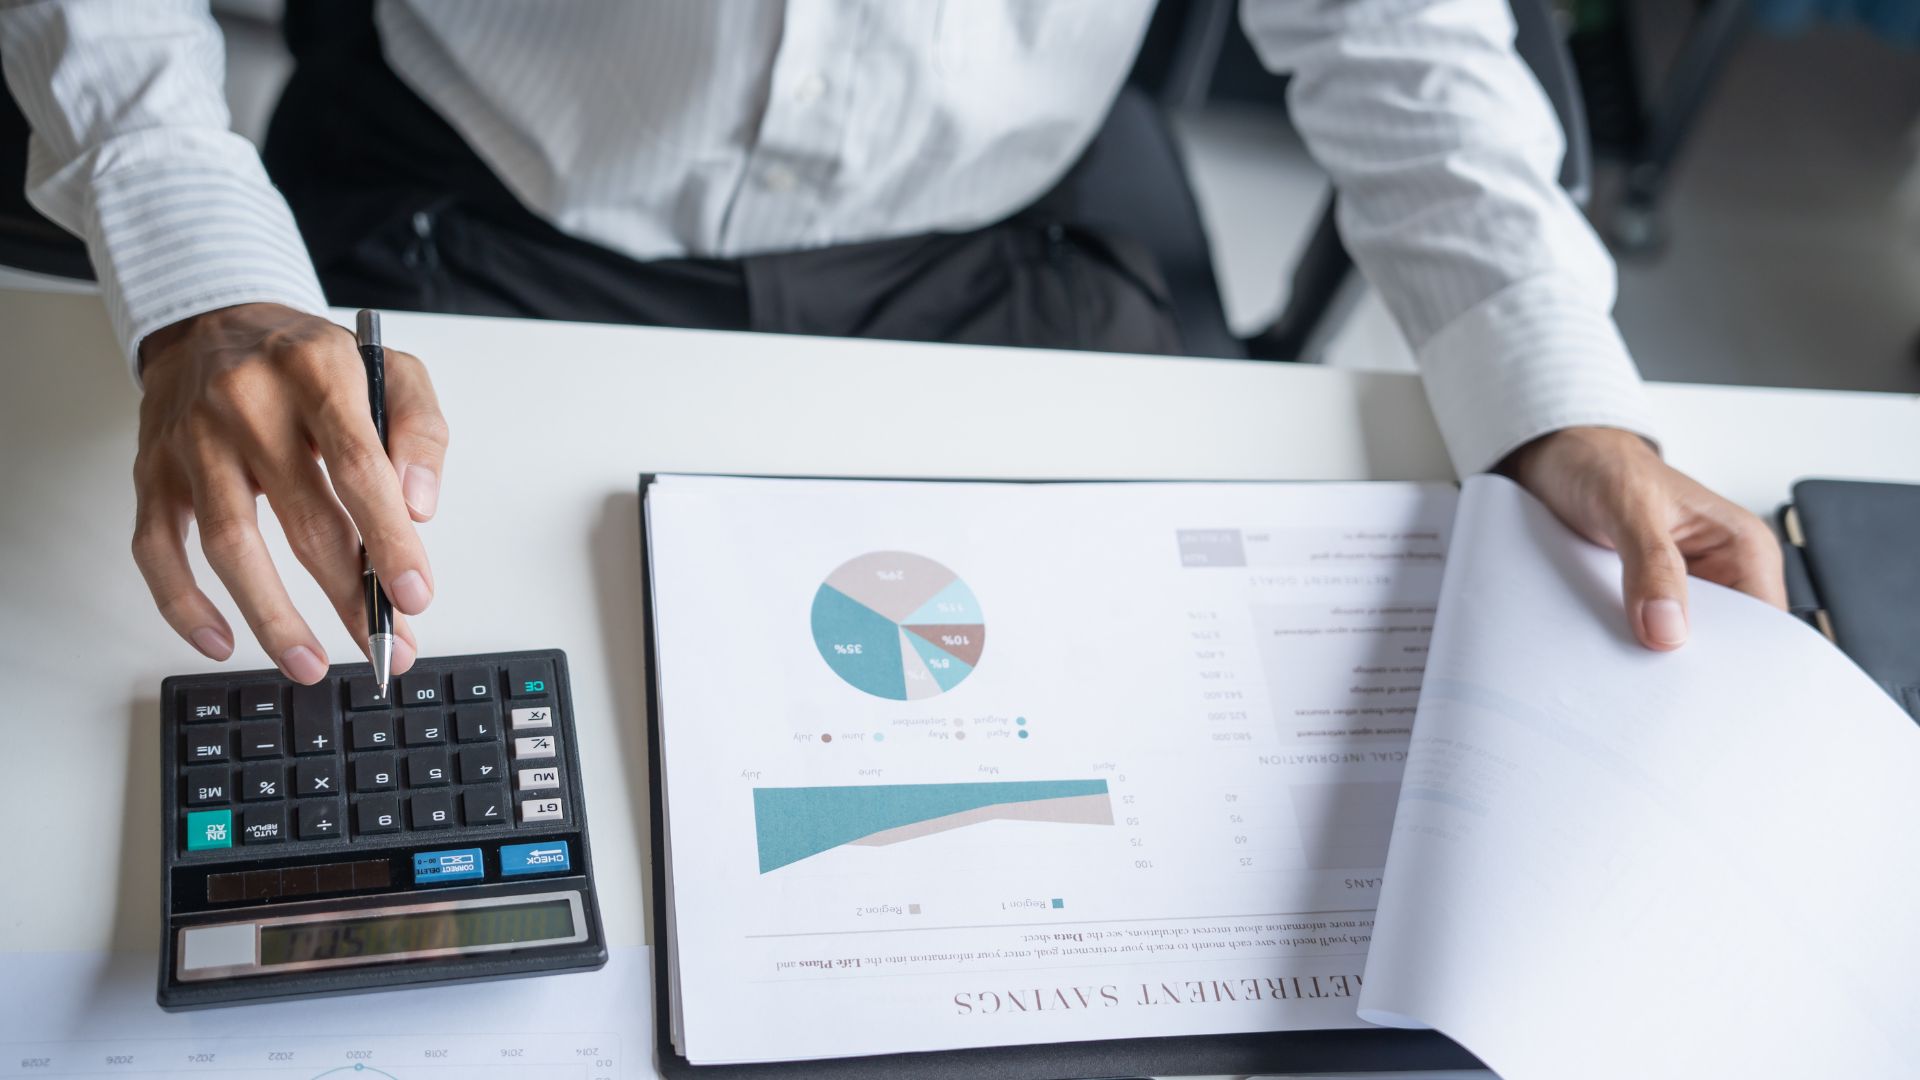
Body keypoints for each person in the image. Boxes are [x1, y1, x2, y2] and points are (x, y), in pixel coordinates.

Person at [0, 0, 1785, 685]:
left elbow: (1398, 26)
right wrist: (202, 265)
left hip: (999, 237)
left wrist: (1557, 395)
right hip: (480, 190)